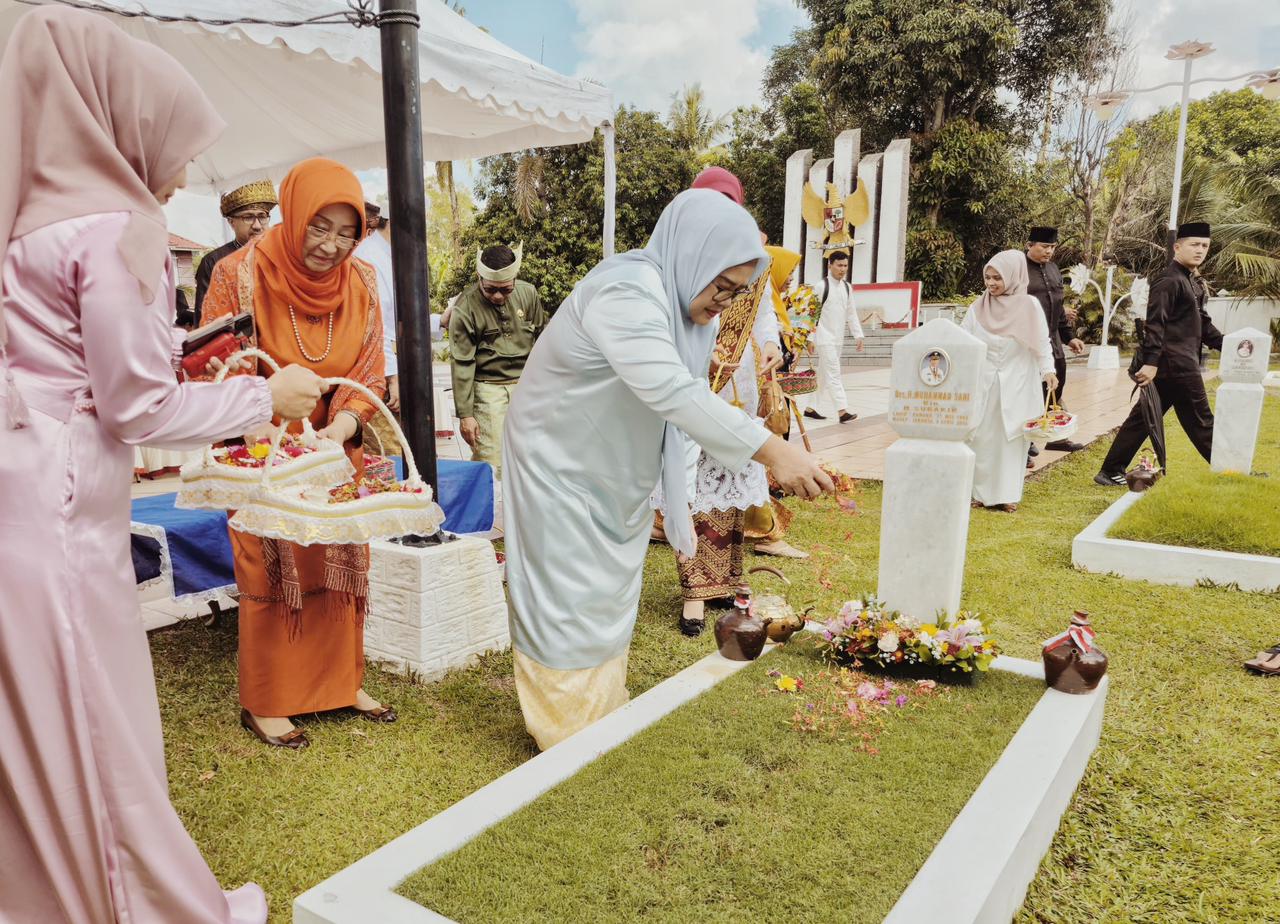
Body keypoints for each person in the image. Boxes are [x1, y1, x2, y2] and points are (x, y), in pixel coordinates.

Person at [0, 8, 326, 922]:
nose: (185, 169)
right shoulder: (113, 229)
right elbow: (138, 405)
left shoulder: (26, 226)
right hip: (66, 508)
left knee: (37, 728)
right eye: (177, 141)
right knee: (98, 724)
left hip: (20, 490)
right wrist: (269, 398)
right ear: (122, 123)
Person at [502, 189, 834, 750]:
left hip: (615, 469)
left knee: (608, 595)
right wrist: (773, 451)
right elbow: (673, 391)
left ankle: (597, 710)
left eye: (735, 293)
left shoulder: (681, 306)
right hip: (557, 465)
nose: (723, 305)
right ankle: (563, 731)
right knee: (567, 597)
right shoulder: (625, 290)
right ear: (692, 258)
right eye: (720, 287)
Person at [201, 157, 394, 748]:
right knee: (271, 562)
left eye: (346, 232)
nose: (331, 245)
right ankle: (266, 700)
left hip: (332, 447)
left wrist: (340, 427)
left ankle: (341, 684)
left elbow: (370, 369)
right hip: (261, 446)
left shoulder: (362, 282)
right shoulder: (239, 273)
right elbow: (212, 363)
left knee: (341, 561)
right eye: (318, 226)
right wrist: (258, 409)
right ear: (294, 214)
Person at [1095, 222, 1222, 486]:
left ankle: (1110, 470)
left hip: (1175, 365)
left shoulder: (1191, 281)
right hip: (1176, 365)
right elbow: (1155, 324)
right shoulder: (1169, 280)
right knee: (1203, 423)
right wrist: (1151, 363)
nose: (1200, 250)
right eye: (1194, 244)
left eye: (1205, 246)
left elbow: (1203, 324)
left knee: (1142, 419)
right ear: (1177, 247)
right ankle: (1231, 469)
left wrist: (1234, 347)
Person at [962, 250, 1057, 512]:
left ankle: (1007, 495)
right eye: (988, 278)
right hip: (984, 384)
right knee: (981, 438)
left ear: (1013, 277)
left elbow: (1041, 342)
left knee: (1011, 440)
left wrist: (1048, 370)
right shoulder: (977, 308)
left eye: (997, 278)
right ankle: (979, 493)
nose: (991, 284)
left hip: (1017, 382)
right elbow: (961, 341)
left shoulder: (1029, 306)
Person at [448, 243, 549, 477]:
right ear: (479, 278)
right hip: (487, 390)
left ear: (515, 278)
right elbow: (462, 362)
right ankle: (492, 511)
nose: (497, 296)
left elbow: (544, 341)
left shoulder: (528, 294)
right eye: (490, 289)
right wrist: (466, 415)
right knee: (491, 461)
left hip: (526, 386)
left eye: (505, 290)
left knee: (531, 458)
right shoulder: (465, 307)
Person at [352, 205, 443, 427]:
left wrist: (439, 321)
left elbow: (401, 315)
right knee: (392, 447)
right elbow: (375, 322)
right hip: (384, 368)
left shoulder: (393, 254)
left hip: (404, 363)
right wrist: (392, 376)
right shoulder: (369, 256)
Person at [1025, 226, 1085, 452]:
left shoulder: (1053, 269)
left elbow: (1057, 306)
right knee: (1030, 389)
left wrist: (1069, 337)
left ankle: (1056, 436)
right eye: (1044, 246)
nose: (1049, 251)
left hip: (1053, 339)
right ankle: (1027, 438)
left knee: (1055, 384)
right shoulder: (1019, 270)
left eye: (1052, 247)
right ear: (1029, 245)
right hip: (1027, 341)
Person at [193, 179, 277, 314]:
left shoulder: (279, 256)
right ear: (232, 223)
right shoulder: (214, 262)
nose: (257, 225)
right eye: (248, 217)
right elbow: (205, 317)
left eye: (262, 216)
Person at [804, 249, 864, 423]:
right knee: (834, 373)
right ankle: (842, 411)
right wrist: (809, 339)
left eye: (845, 265)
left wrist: (858, 335)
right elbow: (811, 314)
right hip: (823, 338)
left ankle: (810, 408)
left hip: (838, 339)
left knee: (824, 374)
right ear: (830, 265)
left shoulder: (847, 287)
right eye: (839, 265)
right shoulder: (821, 286)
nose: (842, 269)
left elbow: (851, 313)